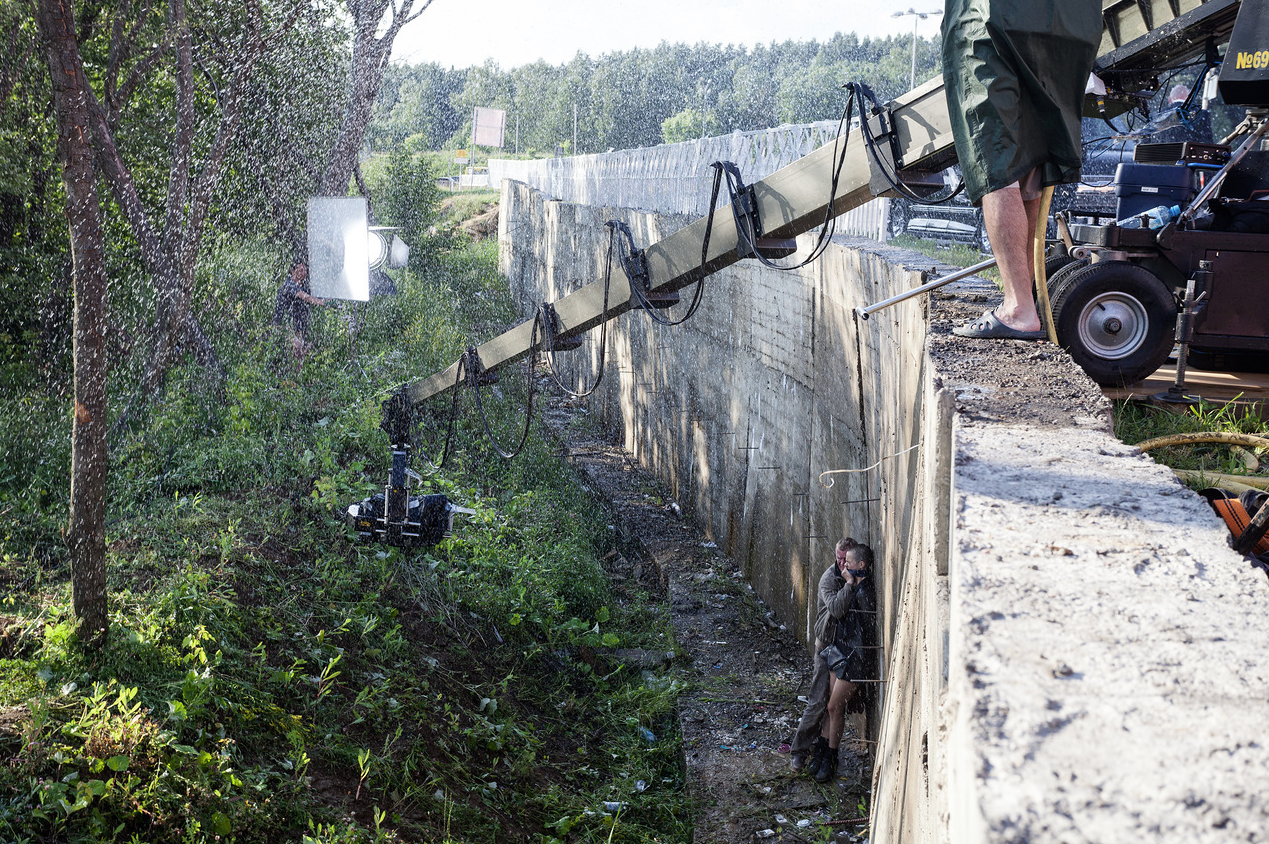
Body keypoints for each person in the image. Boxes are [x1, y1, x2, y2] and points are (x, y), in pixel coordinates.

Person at [946, 0, 1103, 340]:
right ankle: (1027, 301)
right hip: (1070, 24)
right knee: (1032, 158)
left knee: (996, 160)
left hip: (992, 17)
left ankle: (1018, 308)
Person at [790, 538, 877, 782]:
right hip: (827, 647)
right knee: (820, 703)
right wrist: (848, 583)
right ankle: (803, 751)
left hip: (850, 654)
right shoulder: (831, 578)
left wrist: (850, 582)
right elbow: (838, 610)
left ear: (859, 562)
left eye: (846, 560)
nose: (842, 565)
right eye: (839, 559)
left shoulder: (862, 585)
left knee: (833, 706)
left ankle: (827, 755)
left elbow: (862, 624)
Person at [271, 258, 327, 363]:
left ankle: (296, 377)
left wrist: (329, 299)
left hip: (294, 328)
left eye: (304, 270)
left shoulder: (301, 287)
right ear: (293, 271)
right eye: (300, 270)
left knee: (300, 353)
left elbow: (312, 296)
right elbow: (305, 297)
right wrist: (322, 303)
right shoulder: (289, 284)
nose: (304, 272)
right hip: (283, 326)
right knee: (296, 349)